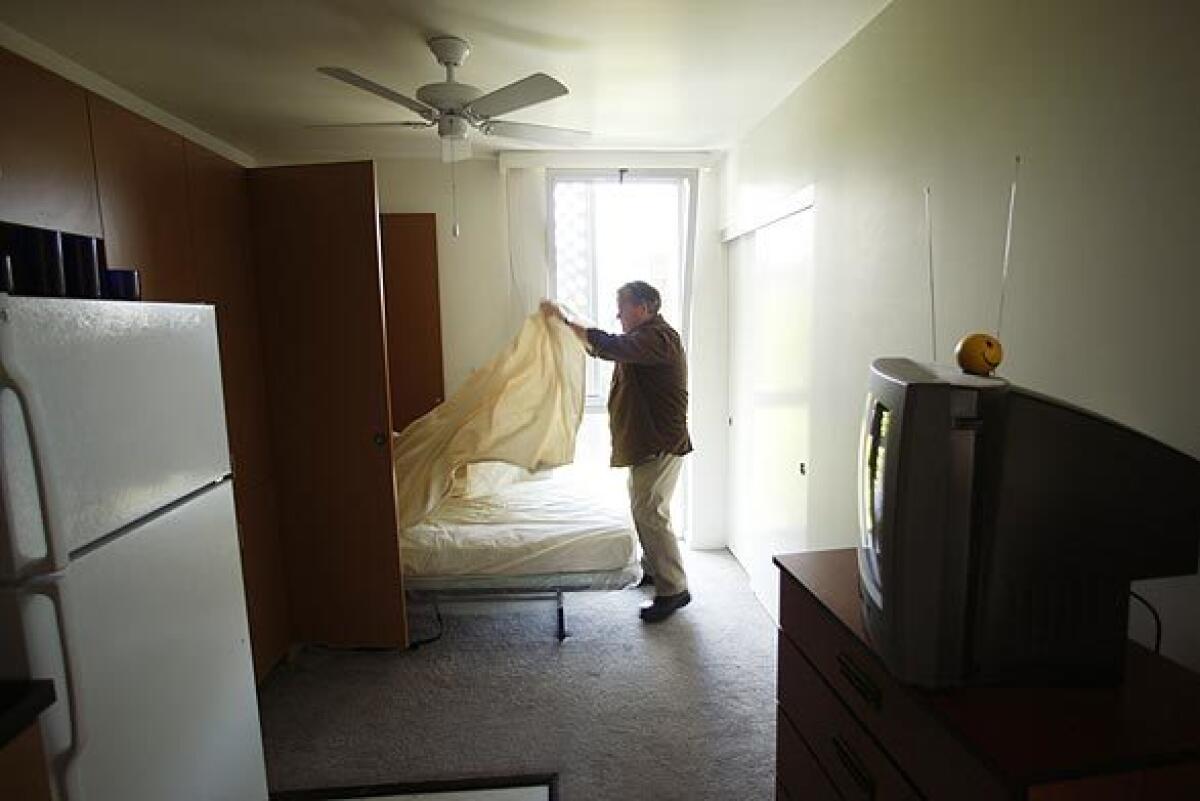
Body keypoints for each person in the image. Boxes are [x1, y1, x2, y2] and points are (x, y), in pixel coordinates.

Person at [540, 281, 693, 622]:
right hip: (649, 444)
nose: (618, 314)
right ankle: (655, 571)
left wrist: (565, 323)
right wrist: (569, 330)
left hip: (659, 444)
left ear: (643, 308)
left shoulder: (658, 338)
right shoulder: (646, 340)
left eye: (622, 307)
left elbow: (610, 345)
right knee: (645, 508)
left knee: (650, 511)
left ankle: (675, 589)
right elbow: (603, 348)